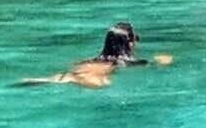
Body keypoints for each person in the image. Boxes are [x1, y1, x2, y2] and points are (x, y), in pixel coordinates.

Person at [24, 20, 173, 88]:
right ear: (130, 43)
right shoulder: (124, 62)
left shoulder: (91, 60)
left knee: (65, 77)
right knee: (101, 83)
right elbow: (151, 64)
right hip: (95, 77)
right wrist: (160, 61)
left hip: (82, 69)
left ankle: (59, 79)